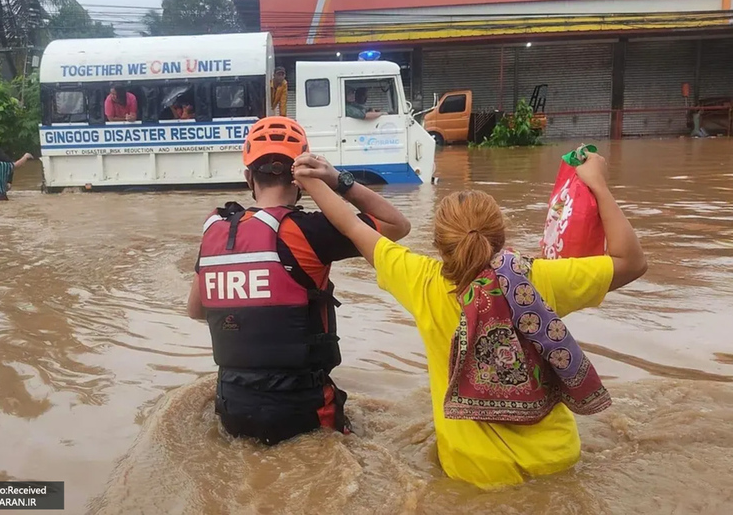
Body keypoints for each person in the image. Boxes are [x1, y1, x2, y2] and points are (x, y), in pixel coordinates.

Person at [292, 151, 647, 489]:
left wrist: (317, 179)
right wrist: (598, 184)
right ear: (501, 236)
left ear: (438, 243)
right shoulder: (539, 279)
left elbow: (352, 227)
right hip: (557, 460)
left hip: (473, 472)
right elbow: (632, 262)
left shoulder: (421, 281)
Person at [187, 116, 411, 446]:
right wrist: (338, 180)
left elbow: (196, 310)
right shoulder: (312, 231)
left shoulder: (216, 232)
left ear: (249, 176)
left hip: (232, 408)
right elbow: (397, 225)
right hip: (303, 411)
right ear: (300, 178)